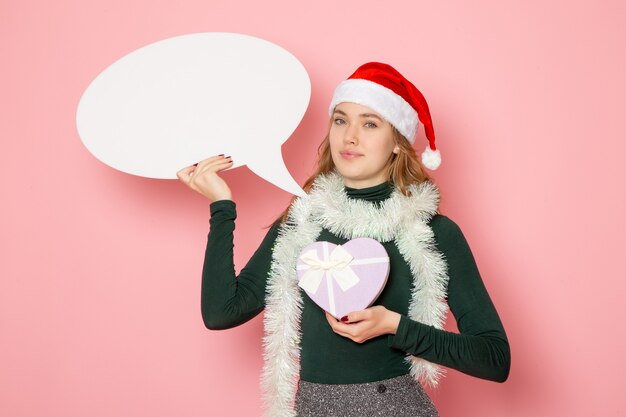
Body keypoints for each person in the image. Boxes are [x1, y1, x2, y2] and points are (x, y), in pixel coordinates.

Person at [177, 62, 510, 417]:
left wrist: (395, 326)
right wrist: (221, 206)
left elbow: (494, 359)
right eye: (340, 120)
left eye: (369, 123)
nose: (350, 136)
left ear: (397, 142)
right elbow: (220, 312)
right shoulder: (301, 224)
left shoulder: (433, 233)